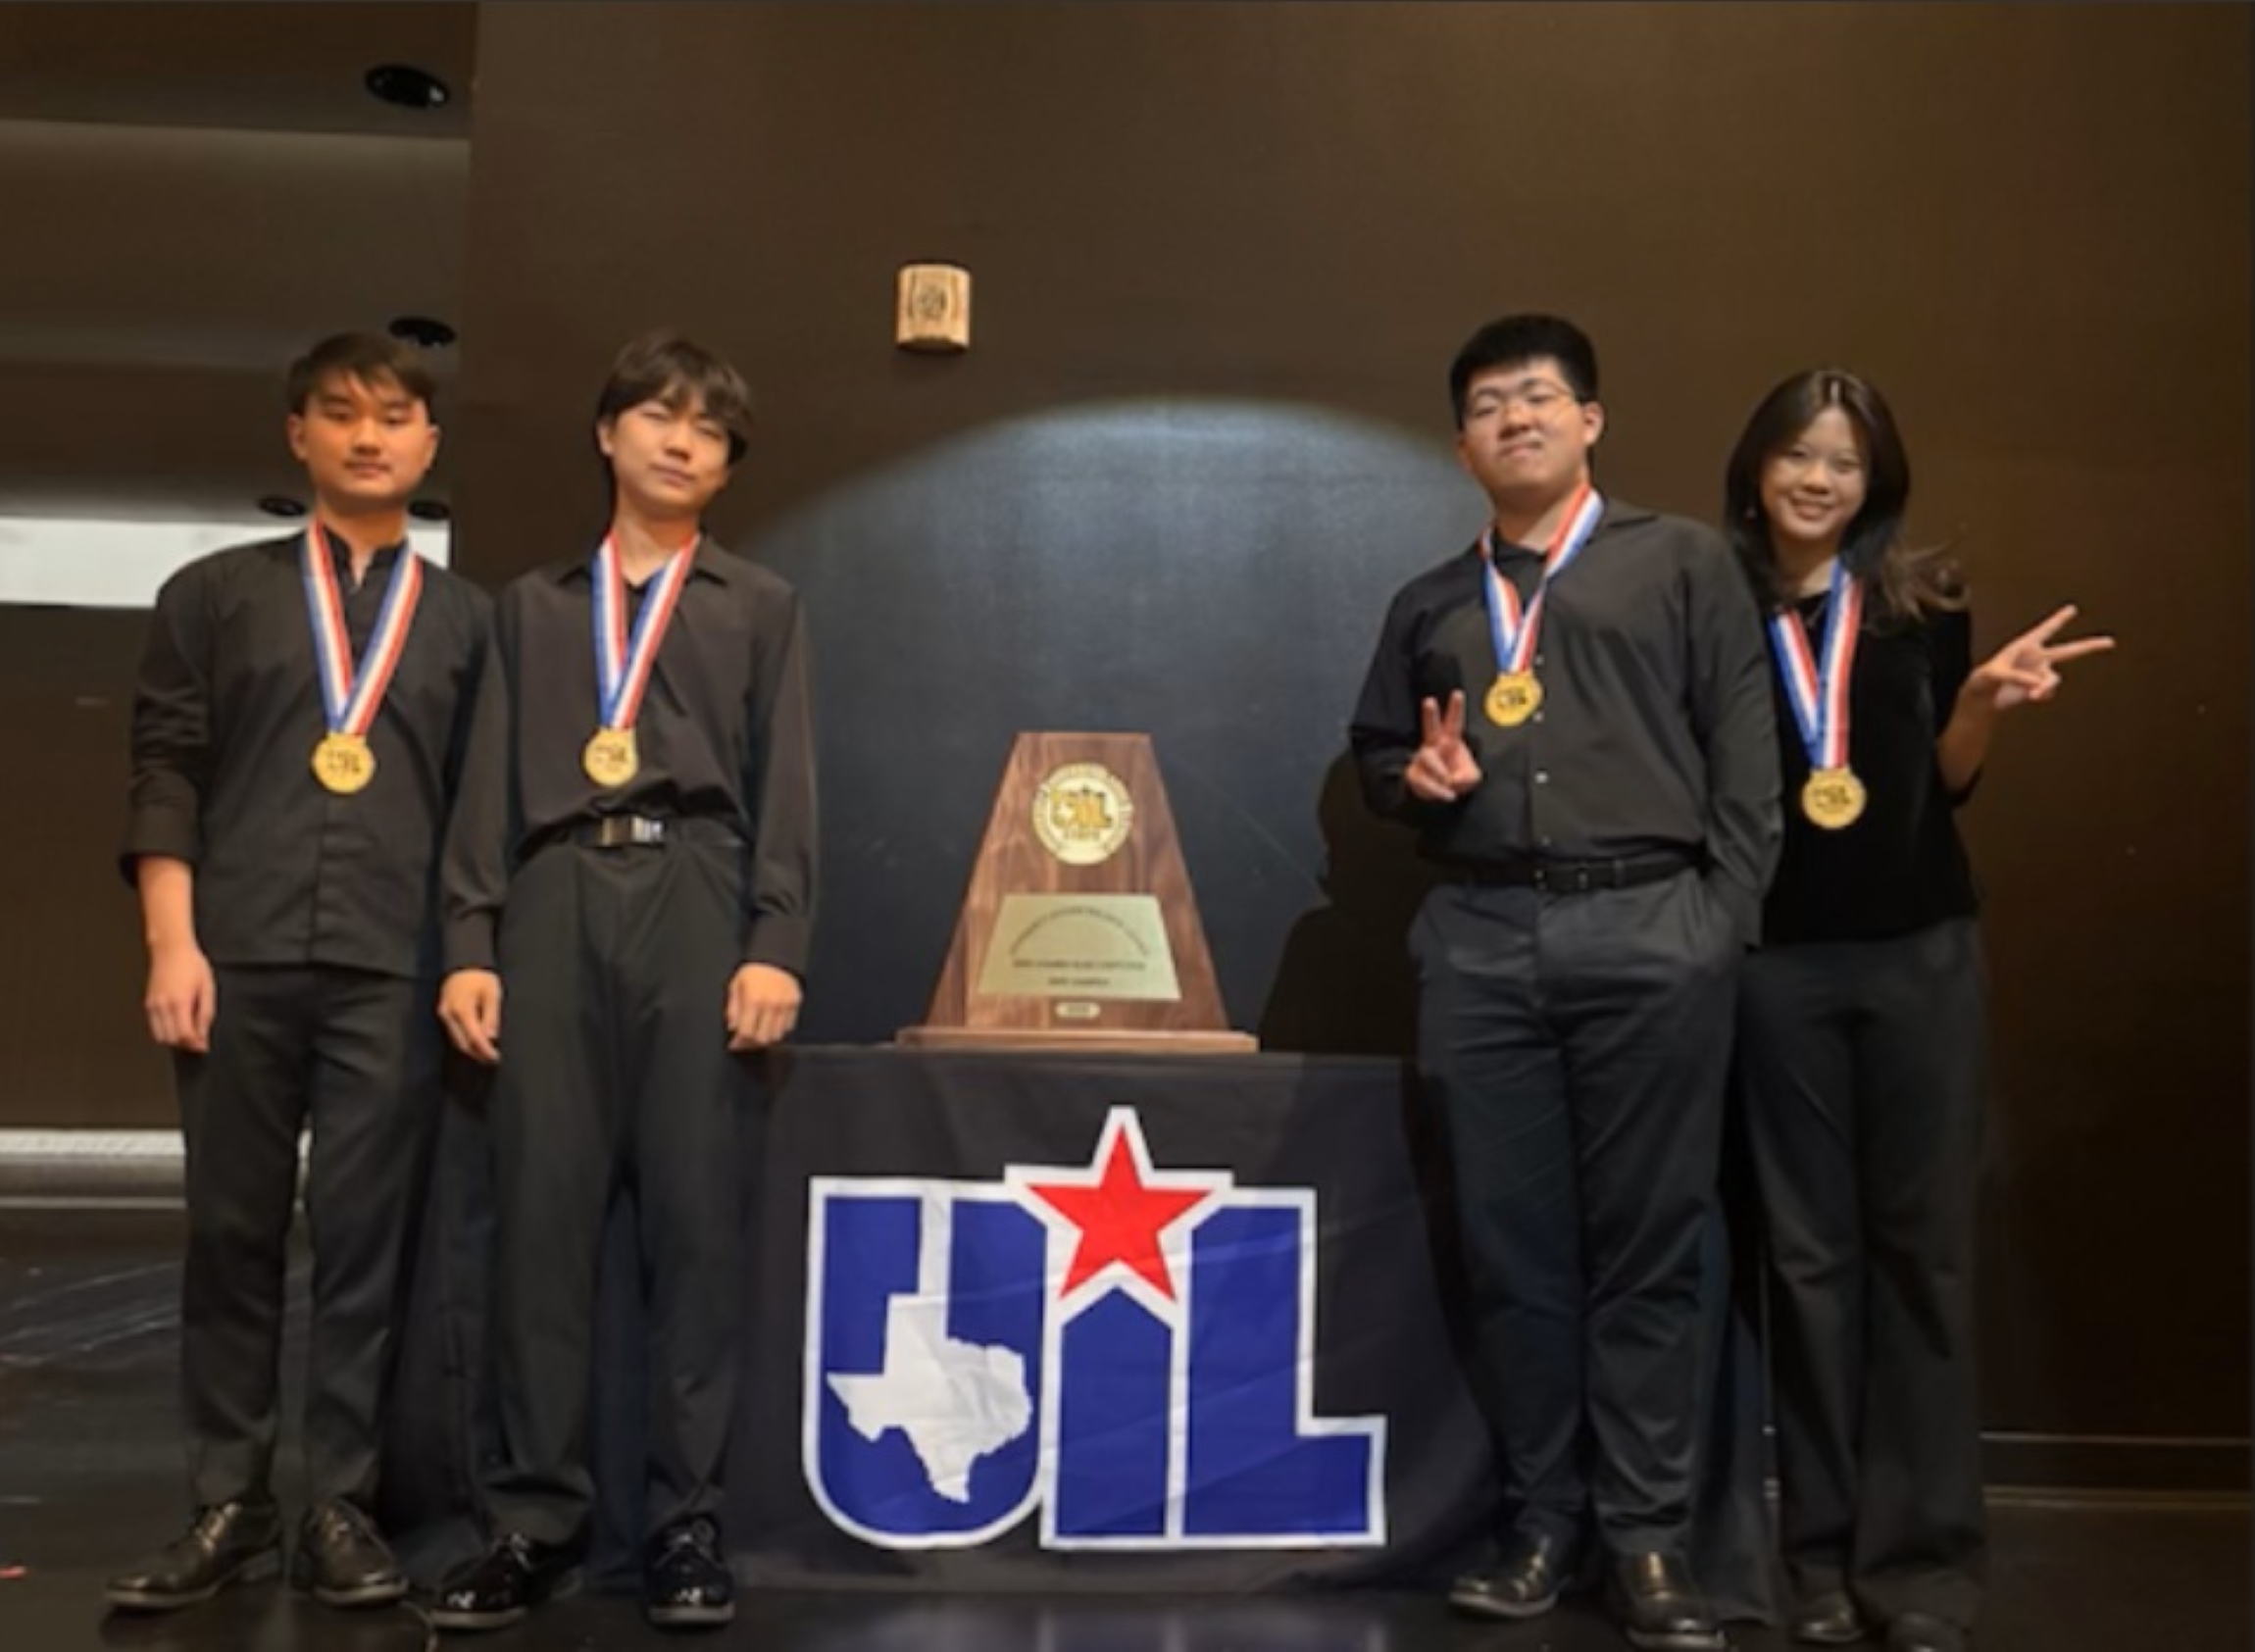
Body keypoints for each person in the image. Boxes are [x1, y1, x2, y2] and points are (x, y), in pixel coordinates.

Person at [1350, 313, 1779, 1651]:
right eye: (1486, 405)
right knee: (1513, 1252)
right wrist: (1412, 784)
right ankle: (1543, 1524)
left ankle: (1650, 1541)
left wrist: (1715, 925)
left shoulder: (1684, 563)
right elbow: (1373, 756)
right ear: (1463, 442)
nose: (1514, 418)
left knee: (1651, 1252)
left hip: (1655, 930)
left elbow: (1748, 761)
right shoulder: (1431, 599)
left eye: (1539, 397)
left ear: (1591, 419)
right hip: (1482, 942)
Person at [430, 331, 817, 1633]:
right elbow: (482, 783)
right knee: (537, 1229)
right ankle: (531, 1521)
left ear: (725, 465)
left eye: (708, 430)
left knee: (698, 1230)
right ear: (607, 434)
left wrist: (776, 939)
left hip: (697, 888)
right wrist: (471, 942)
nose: (680, 441)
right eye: (658, 415)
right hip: (547, 894)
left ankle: (686, 1521)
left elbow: (789, 787)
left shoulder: (758, 603)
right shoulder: (533, 606)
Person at [1721, 368, 2111, 1652]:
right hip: (1773, 966)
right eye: (1798, 454)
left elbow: (1942, 784)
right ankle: (1819, 1562)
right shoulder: (1711, 599)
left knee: (1924, 1259)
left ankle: (1927, 1570)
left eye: (1843, 459)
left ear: (1874, 479)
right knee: (1807, 1263)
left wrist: (1984, 702)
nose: (1819, 477)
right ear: (1760, 466)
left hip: (1920, 955)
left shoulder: (1919, 601)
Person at [108, 333, 487, 1612]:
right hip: (237, 954)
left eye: (395, 416)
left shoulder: (474, 623)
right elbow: (166, 769)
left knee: (366, 1243)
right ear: (298, 435)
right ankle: (228, 1500)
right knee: (230, 1234)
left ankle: (338, 1502)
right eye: (341, 414)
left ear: (430, 445)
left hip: (396, 962)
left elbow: (480, 816)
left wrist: (469, 958)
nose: (368, 435)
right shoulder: (212, 593)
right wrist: (172, 938)